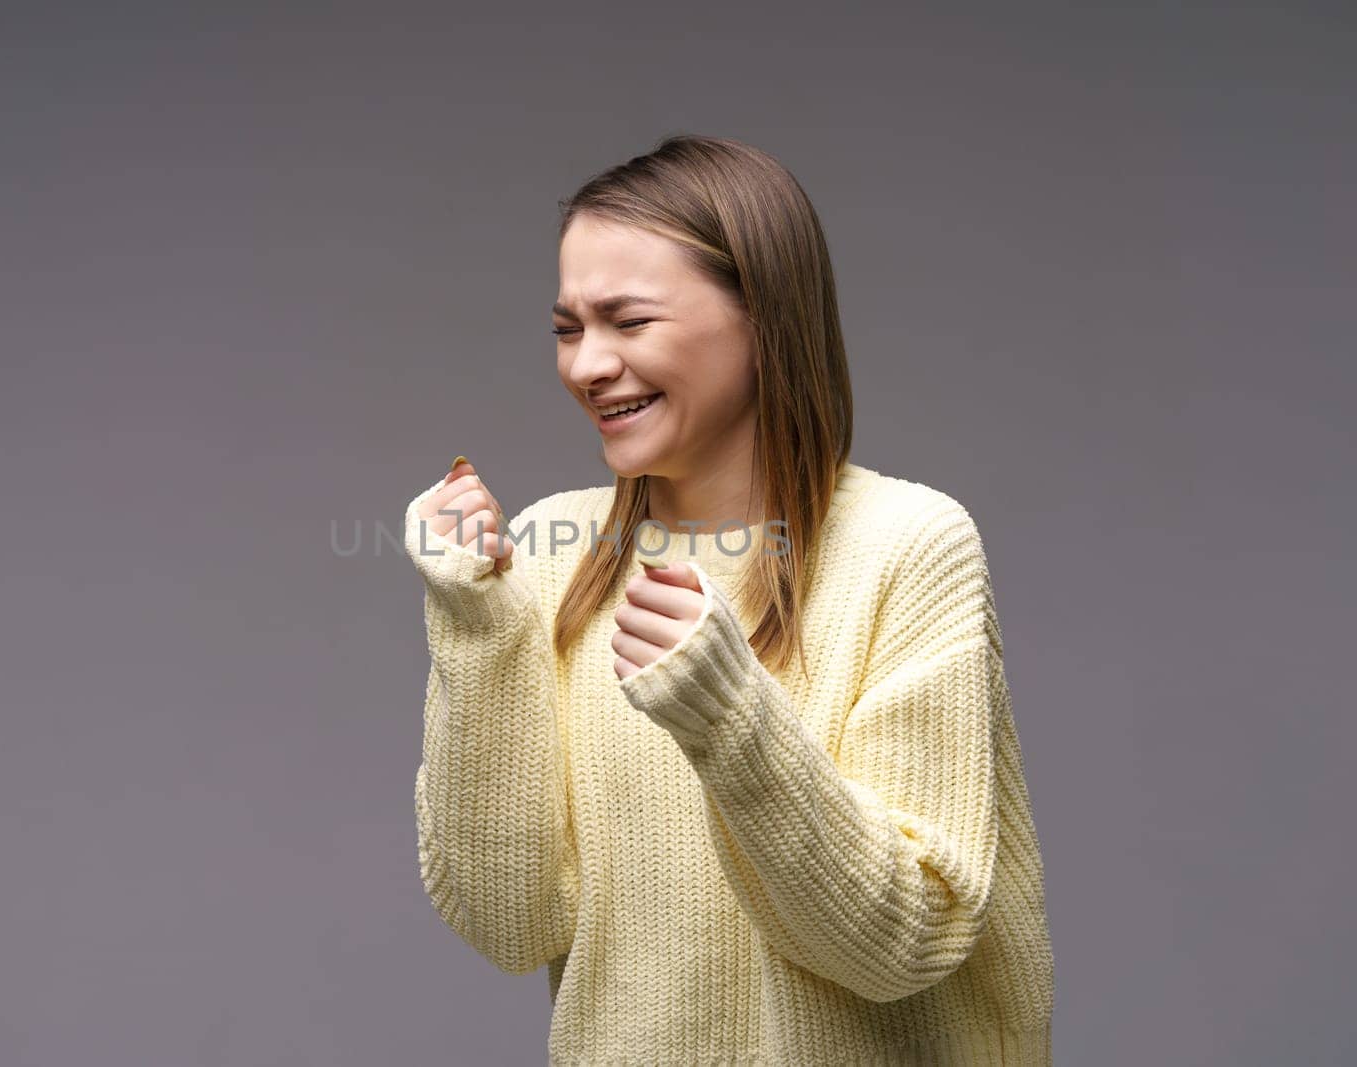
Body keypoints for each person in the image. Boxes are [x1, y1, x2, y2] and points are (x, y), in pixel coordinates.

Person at [400, 134, 1055, 1065]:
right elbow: (513, 924)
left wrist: (730, 715)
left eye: (628, 322)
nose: (586, 365)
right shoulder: (548, 554)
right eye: (567, 327)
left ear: (762, 318)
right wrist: (475, 627)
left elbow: (908, 941)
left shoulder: (907, 543)